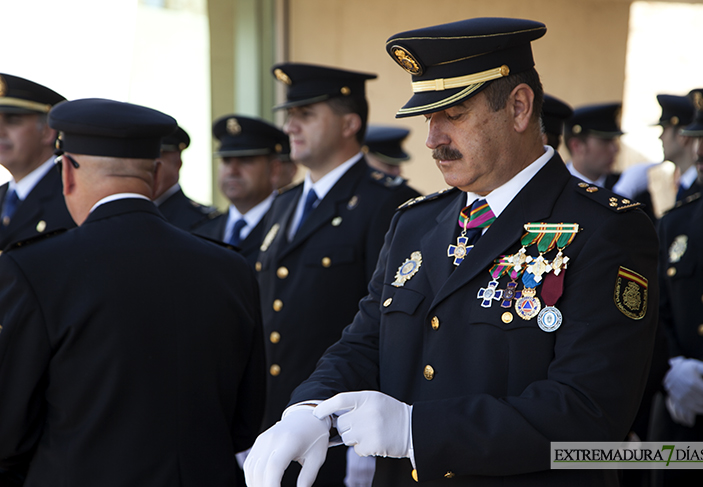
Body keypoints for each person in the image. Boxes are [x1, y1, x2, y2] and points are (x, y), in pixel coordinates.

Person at [245, 17, 658, 487]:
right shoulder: (415, 221)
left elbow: (589, 414)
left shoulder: (605, 228)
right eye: (427, 116)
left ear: (519, 108)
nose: (432, 139)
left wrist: (415, 431)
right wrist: (310, 409)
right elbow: (364, 342)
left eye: (454, 114)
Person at [0, 98, 265, 487]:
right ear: (156, 173)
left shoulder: (33, 269)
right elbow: (245, 423)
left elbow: (8, 431)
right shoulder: (230, 267)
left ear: (68, 174)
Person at [256, 62, 420, 486]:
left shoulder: (389, 203)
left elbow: (385, 327)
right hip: (287, 418)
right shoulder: (284, 203)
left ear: (350, 123)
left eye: (306, 114)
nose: (291, 125)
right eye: (290, 114)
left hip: (347, 431)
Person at [652, 88, 703, 487]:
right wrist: (671, 370)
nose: (701, 150)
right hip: (677, 422)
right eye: (698, 138)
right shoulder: (674, 223)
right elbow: (655, 312)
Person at [195, 115, 288, 266]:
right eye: (226, 160)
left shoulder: (289, 225)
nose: (232, 170)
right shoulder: (203, 232)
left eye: (246, 160)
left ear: (274, 169)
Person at [0, 73, 74, 249]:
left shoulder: (71, 197)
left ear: (47, 132)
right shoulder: (4, 196)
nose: (0, 132)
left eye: (13, 121)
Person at [613, 94, 698, 223]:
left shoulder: (700, 189)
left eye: (665, 129)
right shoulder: (685, 186)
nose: (660, 137)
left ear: (682, 135)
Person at [154, 125, 221, 231]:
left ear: (177, 164)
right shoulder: (127, 210)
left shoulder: (202, 220)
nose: (147, 167)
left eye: (156, 161)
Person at [564, 102, 623, 190]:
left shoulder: (624, 185)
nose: (615, 149)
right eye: (605, 141)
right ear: (577, 146)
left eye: (614, 141)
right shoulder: (554, 187)